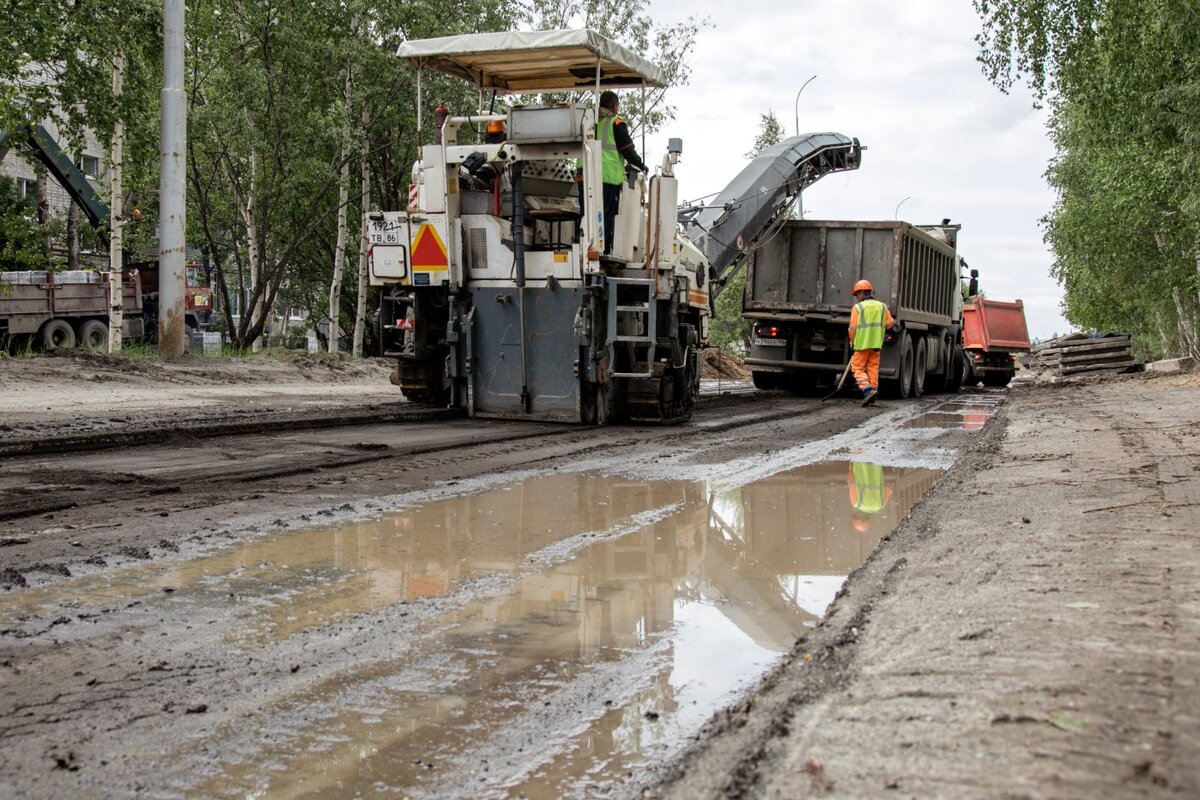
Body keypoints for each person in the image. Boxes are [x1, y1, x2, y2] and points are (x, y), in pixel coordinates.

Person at [596, 90, 648, 254]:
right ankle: (603, 250)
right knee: (607, 214)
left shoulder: (592, 122)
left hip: (587, 176)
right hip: (608, 177)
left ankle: (588, 246)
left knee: (588, 214)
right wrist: (641, 165)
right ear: (614, 106)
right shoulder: (615, 123)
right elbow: (627, 150)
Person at [848, 278, 894, 406]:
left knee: (857, 368)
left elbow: (852, 329)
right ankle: (873, 391)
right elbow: (890, 324)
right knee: (873, 368)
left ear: (862, 293)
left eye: (857, 294)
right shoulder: (882, 306)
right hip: (876, 345)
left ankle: (868, 391)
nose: (857, 297)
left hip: (862, 344)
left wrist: (852, 342)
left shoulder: (858, 308)